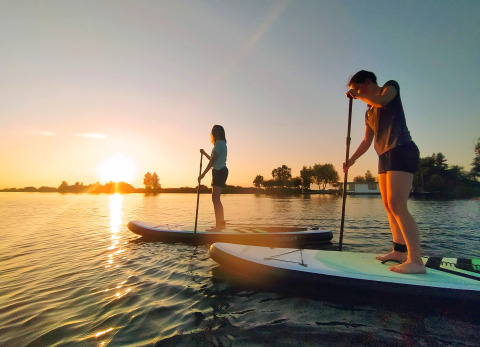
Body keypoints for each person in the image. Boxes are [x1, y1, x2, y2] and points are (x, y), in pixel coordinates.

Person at [344, 70, 425, 274]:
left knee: (398, 205)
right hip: (384, 155)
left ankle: (416, 261)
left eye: (360, 88)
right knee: (389, 206)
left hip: (401, 148)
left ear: (369, 82)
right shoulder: (369, 112)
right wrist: (351, 160)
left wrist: (358, 94)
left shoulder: (390, 87)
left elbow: (382, 101)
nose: (359, 94)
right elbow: (366, 141)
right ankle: (398, 251)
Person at [198, 125, 228, 231]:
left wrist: (203, 174)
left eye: (217, 130)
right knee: (216, 200)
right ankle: (221, 225)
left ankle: (219, 227)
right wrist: (205, 153)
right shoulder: (219, 144)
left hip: (220, 171)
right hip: (219, 171)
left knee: (216, 199)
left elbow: (213, 161)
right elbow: (212, 159)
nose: (214, 132)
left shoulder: (219, 143)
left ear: (221, 132)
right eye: (213, 130)